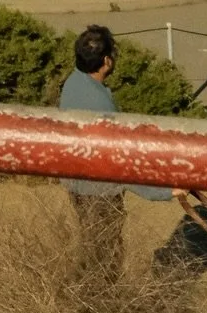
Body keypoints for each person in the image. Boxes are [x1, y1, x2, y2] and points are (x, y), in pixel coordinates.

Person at [59, 24, 186, 281]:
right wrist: (164, 190)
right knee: (105, 255)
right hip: (99, 193)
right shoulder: (100, 105)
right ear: (106, 61)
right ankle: (97, 300)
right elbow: (121, 164)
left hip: (77, 183)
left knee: (93, 246)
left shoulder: (74, 82)